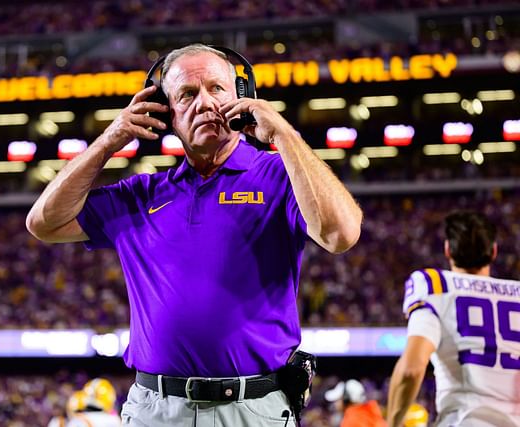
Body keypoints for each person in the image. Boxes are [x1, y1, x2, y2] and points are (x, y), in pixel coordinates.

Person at [27, 44, 362, 426]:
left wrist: (283, 134)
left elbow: (341, 234)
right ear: (165, 113)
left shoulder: (280, 176)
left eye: (217, 89)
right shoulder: (142, 195)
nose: (205, 103)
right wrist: (111, 139)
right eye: (187, 94)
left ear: (243, 98)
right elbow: (44, 223)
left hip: (251, 408)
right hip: (156, 409)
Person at [386, 210, 520, 427]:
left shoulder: (435, 285)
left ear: (448, 249)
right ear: (494, 251)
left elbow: (411, 370)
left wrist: (391, 423)